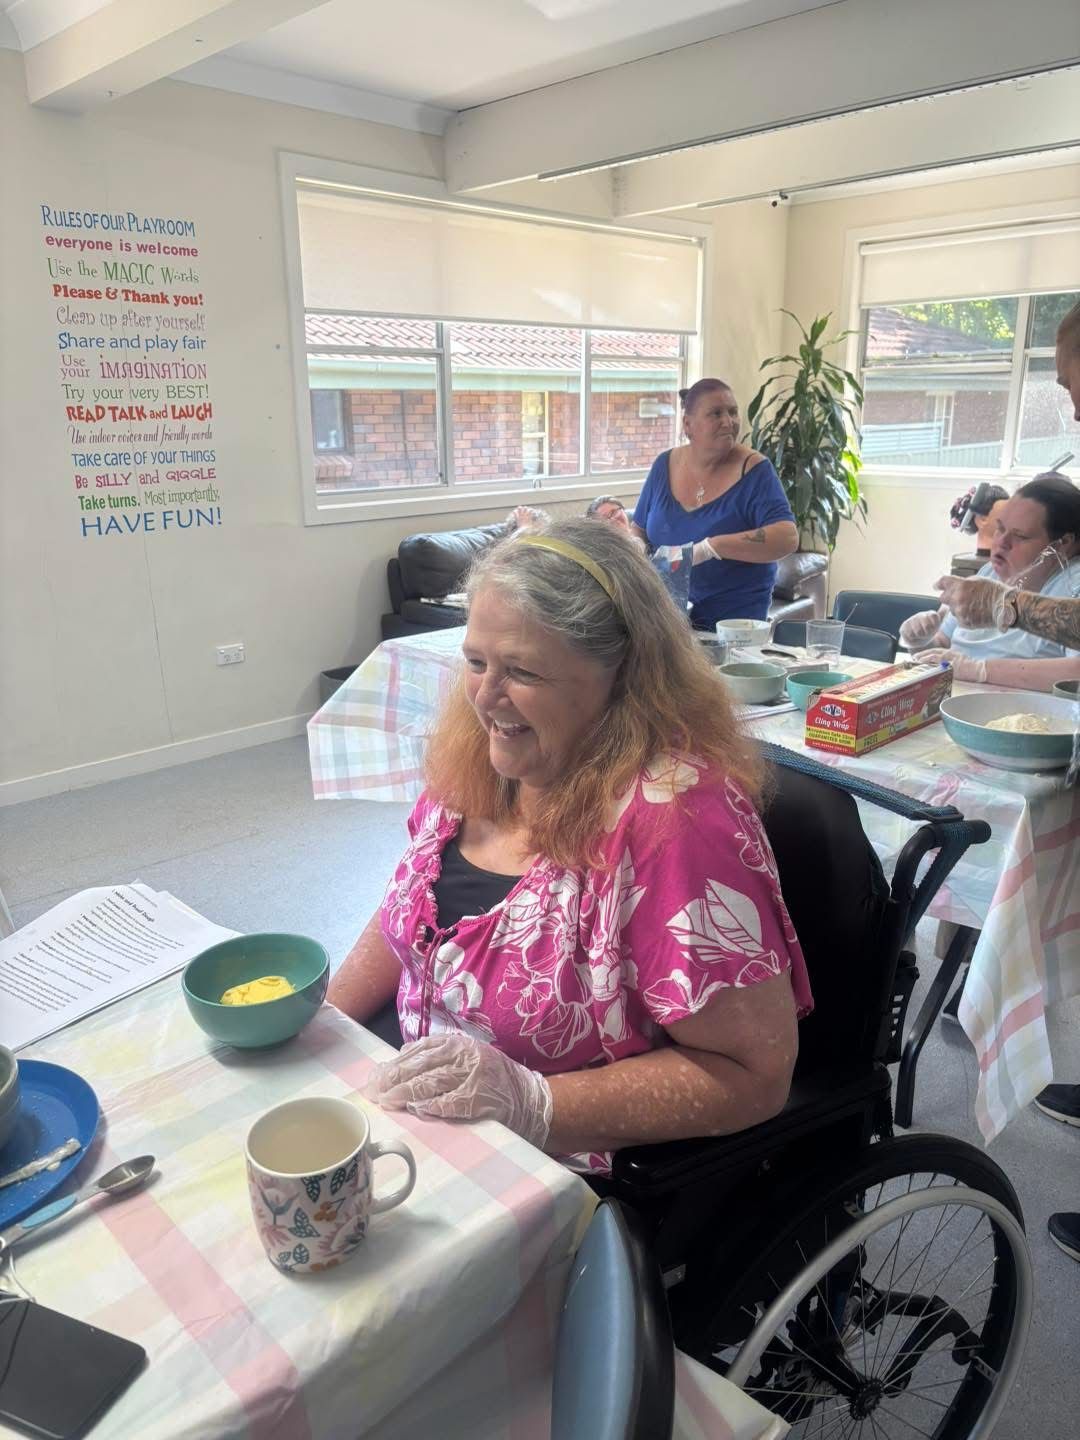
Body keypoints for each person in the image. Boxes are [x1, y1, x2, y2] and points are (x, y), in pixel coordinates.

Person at [328, 518, 810, 1172]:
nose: (485, 697)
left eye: (521, 671)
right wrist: (321, 1029)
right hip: (420, 1117)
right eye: (475, 662)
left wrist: (533, 1103)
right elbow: (406, 917)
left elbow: (753, 1074)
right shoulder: (481, 755)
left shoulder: (680, 822)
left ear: (622, 677)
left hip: (547, 1171)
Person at [631, 378, 798, 629]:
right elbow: (639, 528)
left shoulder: (755, 471)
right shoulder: (663, 465)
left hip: (734, 625)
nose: (728, 422)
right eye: (715, 414)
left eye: (733, 412)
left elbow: (786, 537)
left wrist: (713, 546)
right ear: (688, 425)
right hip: (667, 620)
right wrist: (635, 548)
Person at [899, 473, 1080, 690]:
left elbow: (1076, 673)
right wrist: (921, 641)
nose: (1001, 543)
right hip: (953, 697)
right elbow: (943, 645)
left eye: (1020, 536)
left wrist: (979, 669)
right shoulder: (988, 573)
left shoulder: (1072, 587)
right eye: (1000, 528)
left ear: (1063, 544)